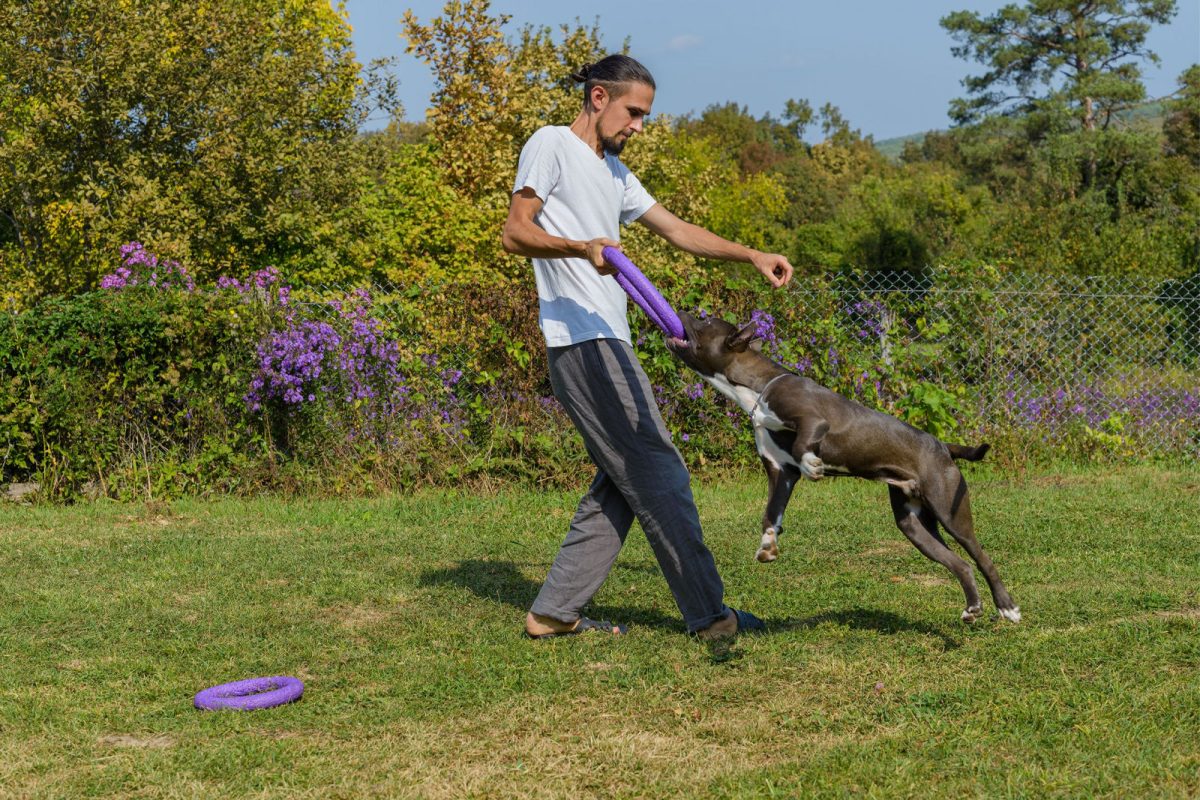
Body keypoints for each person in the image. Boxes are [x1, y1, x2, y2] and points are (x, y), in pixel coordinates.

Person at [501, 54, 794, 641]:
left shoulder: (613, 171)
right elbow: (515, 231)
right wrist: (579, 246)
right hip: (582, 342)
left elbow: (678, 230)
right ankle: (711, 617)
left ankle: (553, 612)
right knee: (659, 468)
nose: (640, 125)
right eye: (634, 112)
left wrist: (752, 254)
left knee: (623, 477)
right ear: (599, 98)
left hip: (608, 337)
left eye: (645, 115)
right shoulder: (551, 143)